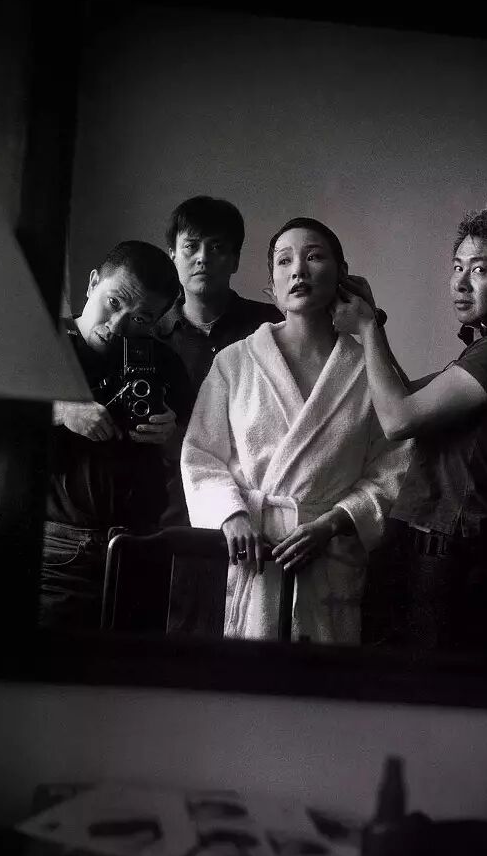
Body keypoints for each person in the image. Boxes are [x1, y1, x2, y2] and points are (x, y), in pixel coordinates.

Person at [181, 217, 412, 644]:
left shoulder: (369, 369)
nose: (299, 270)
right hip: (255, 554)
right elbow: (200, 456)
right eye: (284, 261)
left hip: (330, 559)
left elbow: (393, 468)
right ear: (272, 286)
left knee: (322, 681)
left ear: (342, 273)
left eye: (314, 257)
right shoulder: (234, 362)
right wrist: (231, 515)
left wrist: (332, 523)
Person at [332, 204, 487, 651]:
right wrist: (373, 321)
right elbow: (404, 394)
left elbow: (398, 419)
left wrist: (367, 328)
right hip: (430, 548)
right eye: (457, 267)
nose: (460, 283)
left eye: (479, 270)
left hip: (448, 557)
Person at [40, 240, 194, 630]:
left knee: (133, 664)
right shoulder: (46, 346)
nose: (118, 325)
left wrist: (170, 435)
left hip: (142, 547)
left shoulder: (164, 361)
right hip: (60, 548)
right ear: (93, 282)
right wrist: (62, 411)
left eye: (141, 319)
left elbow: (201, 455)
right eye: (114, 302)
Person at [155, 196, 283, 529]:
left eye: (216, 247)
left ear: (235, 260)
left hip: (257, 513)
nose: (202, 258)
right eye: (191, 247)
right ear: (172, 255)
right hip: (166, 509)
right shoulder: (150, 335)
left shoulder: (271, 326)